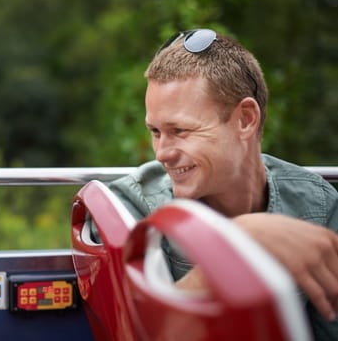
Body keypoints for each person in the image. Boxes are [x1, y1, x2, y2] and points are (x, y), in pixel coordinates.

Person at [107, 28, 338, 339]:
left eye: (180, 130)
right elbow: (137, 333)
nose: (162, 153)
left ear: (244, 119)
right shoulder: (129, 207)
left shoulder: (319, 205)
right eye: (156, 131)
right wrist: (242, 243)